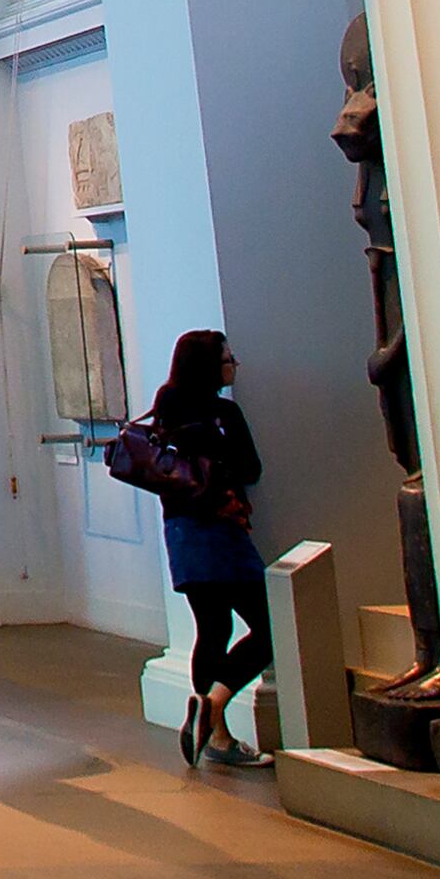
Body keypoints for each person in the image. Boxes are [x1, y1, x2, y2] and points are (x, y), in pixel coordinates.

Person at [146, 327, 273, 769]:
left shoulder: (166, 407)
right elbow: (250, 467)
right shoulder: (223, 413)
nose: (233, 364)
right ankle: (215, 705)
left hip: (181, 530)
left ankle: (215, 732)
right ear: (209, 364)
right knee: (269, 625)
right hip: (221, 529)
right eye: (227, 357)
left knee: (212, 629)